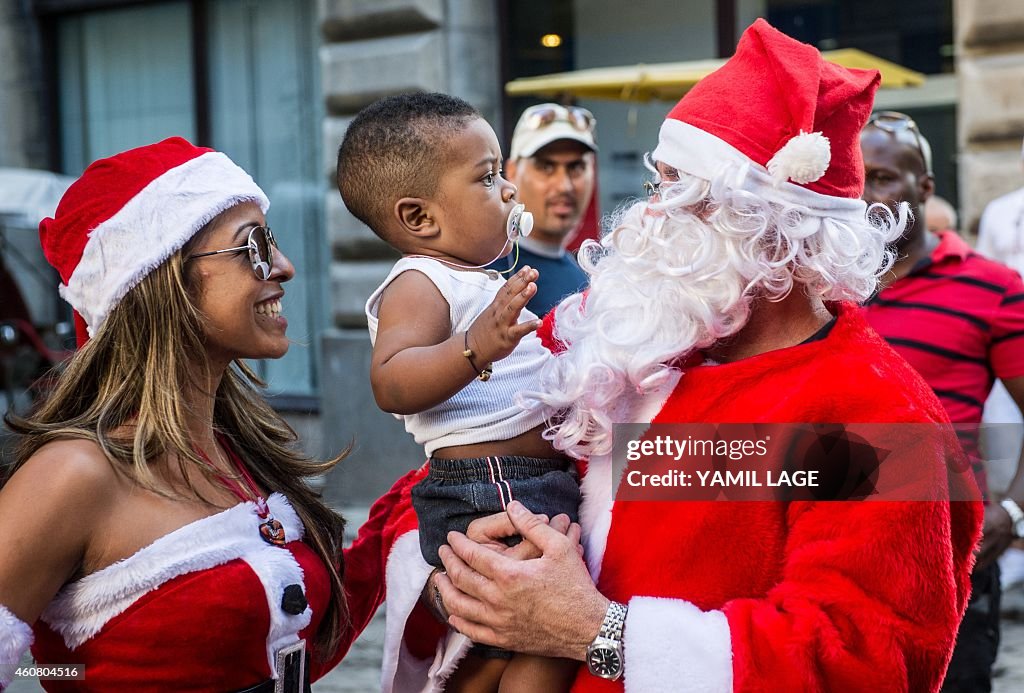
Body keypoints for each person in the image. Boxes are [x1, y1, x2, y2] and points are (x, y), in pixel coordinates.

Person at [356, 20, 983, 692]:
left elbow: (864, 657)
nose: (647, 217)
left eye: (674, 191)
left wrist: (596, 629)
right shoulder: (634, 346)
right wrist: (461, 586)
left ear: (763, 225)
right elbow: (452, 467)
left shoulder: (880, 414)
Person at [0, 137, 381, 691]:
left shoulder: (238, 452)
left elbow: (278, 651)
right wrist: (81, 675)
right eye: (253, 246)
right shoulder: (73, 475)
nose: (284, 266)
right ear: (164, 279)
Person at [335, 93, 581, 691]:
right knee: (542, 634)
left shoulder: (475, 277)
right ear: (420, 218)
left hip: (518, 480)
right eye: (488, 176)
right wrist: (476, 345)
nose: (508, 190)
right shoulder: (420, 282)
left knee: (498, 645)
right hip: (495, 485)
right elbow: (391, 379)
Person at [860, 113, 1024, 692]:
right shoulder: (821, 287)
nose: (865, 196)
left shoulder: (992, 287)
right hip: (836, 561)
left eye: (882, 178)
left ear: (924, 189)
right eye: (854, 177)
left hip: (951, 562)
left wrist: (1013, 511)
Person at [487, 103, 597, 316]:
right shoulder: (486, 271)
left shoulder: (582, 272)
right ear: (511, 171)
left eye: (576, 167)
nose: (564, 186)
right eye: (546, 167)